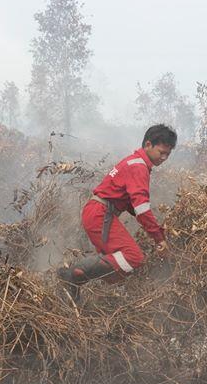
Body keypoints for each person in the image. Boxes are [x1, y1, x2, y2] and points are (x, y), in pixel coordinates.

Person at [57, 124, 175, 291]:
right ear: (148, 144)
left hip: (97, 212)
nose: (164, 158)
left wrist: (155, 226)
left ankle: (72, 283)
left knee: (118, 266)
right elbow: (141, 208)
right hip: (100, 214)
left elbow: (133, 205)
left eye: (168, 155)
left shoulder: (133, 162)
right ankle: (73, 274)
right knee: (133, 257)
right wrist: (159, 238)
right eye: (162, 152)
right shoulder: (139, 166)